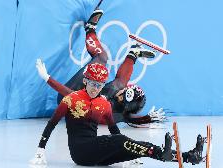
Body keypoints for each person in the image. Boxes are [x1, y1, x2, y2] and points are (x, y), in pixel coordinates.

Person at [30, 63, 204, 166]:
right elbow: (51, 124)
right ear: (85, 81)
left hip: (96, 153)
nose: (95, 88)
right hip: (80, 153)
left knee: (136, 147)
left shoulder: (103, 103)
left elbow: (114, 130)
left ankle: (189, 157)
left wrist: (130, 150)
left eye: (99, 85)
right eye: (92, 84)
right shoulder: (71, 99)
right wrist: (40, 149)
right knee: (122, 142)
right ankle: (170, 154)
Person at [36, 9, 166, 128]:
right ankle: (133, 54)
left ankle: (90, 29)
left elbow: (71, 95)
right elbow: (132, 118)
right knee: (118, 84)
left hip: (69, 97)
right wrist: (148, 118)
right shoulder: (124, 111)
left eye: (125, 91)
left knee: (101, 59)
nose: (125, 88)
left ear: (122, 100)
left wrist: (48, 78)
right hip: (90, 94)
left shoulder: (101, 107)